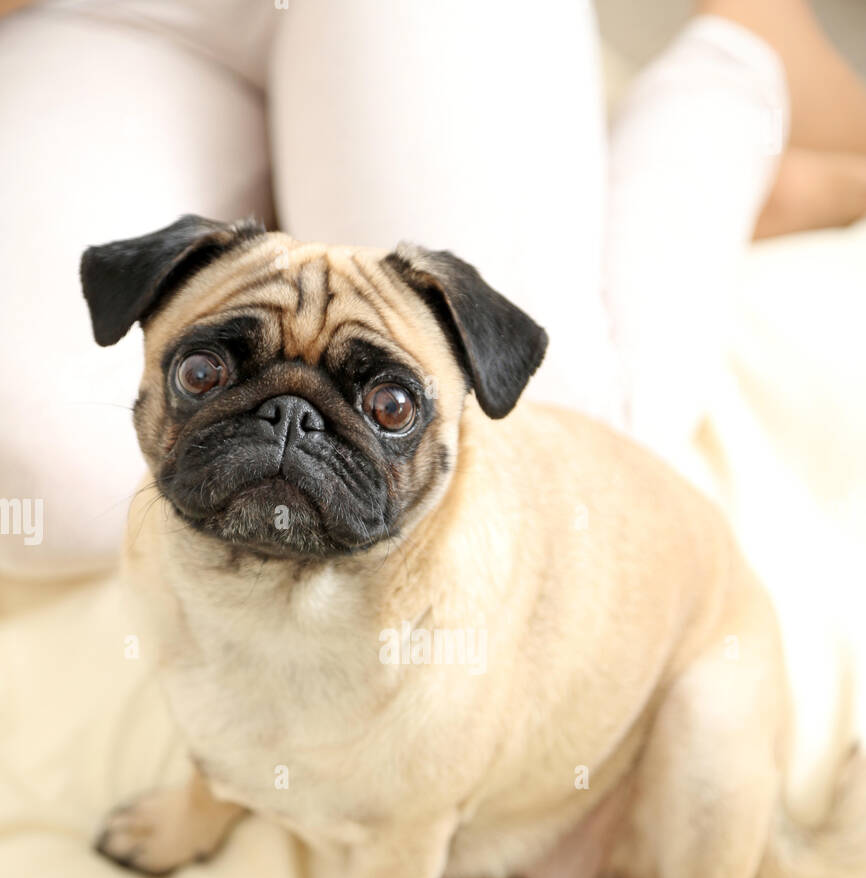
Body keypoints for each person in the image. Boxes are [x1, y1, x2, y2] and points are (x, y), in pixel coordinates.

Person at [0, 0, 864, 576]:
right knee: (33, 488)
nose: (288, 429)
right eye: (206, 375)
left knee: (565, 447)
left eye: (381, 406)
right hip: (114, 18)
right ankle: (318, 176)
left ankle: (738, 66)